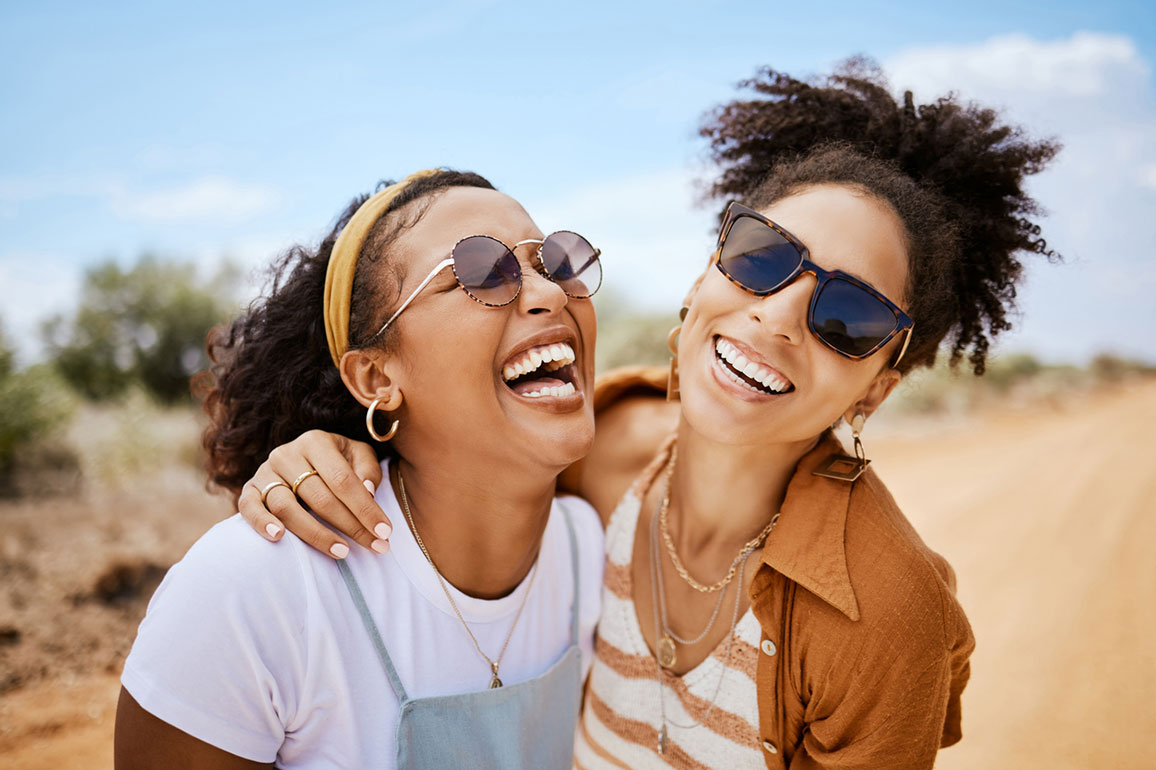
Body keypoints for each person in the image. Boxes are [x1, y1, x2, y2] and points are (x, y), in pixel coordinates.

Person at [237, 65, 1060, 768]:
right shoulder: (602, 453)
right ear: (703, 280)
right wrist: (322, 451)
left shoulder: (878, 617)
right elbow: (458, 432)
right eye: (761, 259)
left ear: (876, 387)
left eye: (849, 317)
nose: (778, 318)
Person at [114, 170, 608, 769]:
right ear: (376, 379)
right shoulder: (254, 592)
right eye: (481, 272)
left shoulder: (593, 548)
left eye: (555, 262)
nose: (551, 293)